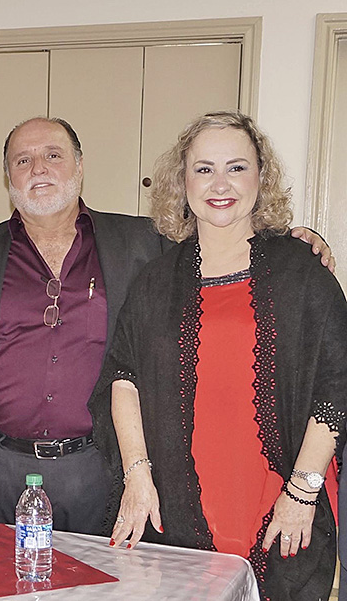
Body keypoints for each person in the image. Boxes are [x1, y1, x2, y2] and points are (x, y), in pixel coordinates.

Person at [0, 117, 334, 533]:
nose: (38, 168)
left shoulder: (143, 243)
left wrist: (296, 241)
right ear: (8, 176)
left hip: (105, 467)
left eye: (53, 155)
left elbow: (223, 241)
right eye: (23, 160)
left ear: (80, 167)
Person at [93, 111, 345, 600]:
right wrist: (137, 476)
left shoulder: (302, 271)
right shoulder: (156, 280)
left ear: (261, 177)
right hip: (179, 501)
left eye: (237, 167)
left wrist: (302, 491)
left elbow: (337, 385)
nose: (220, 183)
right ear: (182, 181)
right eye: (204, 168)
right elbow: (123, 377)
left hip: (278, 497)